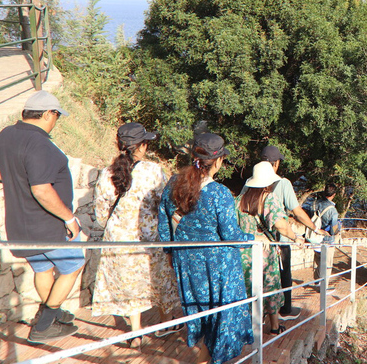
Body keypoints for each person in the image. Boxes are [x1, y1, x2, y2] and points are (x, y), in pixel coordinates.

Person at [0, 91, 84, 342]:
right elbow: (41, 190)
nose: (56, 121)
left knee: (43, 268)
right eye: (56, 116)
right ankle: (44, 324)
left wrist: (15, 176)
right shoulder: (41, 144)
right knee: (74, 265)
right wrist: (69, 218)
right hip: (48, 226)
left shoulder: (7, 135)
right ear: (48, 114)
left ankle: (53, 313)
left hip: (19, 226)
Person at [158, 133, 253, 364]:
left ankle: (205, 356)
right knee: (220, 315)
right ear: (219, 161)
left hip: (187, 261)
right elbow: (231, 234)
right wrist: (252, 238)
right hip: (218, 266)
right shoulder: (219, 194)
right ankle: (211, 358)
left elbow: (164, 221)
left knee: (200, 311)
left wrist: (170, 252)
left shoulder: (174, 184)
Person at [91, 123, 180, 348]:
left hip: (119, 239)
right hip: (149, 238)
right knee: (158, 280)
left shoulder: (107, 173)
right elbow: (166, 203)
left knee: (129, 286)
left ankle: (135, 333)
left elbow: (102, 213)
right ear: (141, 146)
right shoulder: (153, 171)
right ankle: (165, 323)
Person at [240, 145, 327, 321]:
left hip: (253, 242)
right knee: (282, 275)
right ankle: (285, 309)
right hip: (277, 240)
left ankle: (261, 313)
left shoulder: (249, 183)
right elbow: (297, 212)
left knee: (256, 279)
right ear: (276, 163)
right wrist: (315, 228)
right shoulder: (283, 183)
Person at [236, 161, 304, 335]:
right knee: (270, 288)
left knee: (248, 288)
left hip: (244, 253)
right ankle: (274, 327)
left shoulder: (240, 199)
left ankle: (248, 327)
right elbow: (281, 225)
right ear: (268, 182)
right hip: (265, 252)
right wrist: (295, 237)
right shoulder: (268, 198)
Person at [302, 184, 341, 293]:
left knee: (317, 261)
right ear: (334, 195)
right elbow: (334, 230)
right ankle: (324, 287)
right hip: (326, 240)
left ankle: (317, 281)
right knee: (327, 264)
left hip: (314, 237)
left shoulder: (314, 204)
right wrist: (339, 228)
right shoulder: (332, 210)